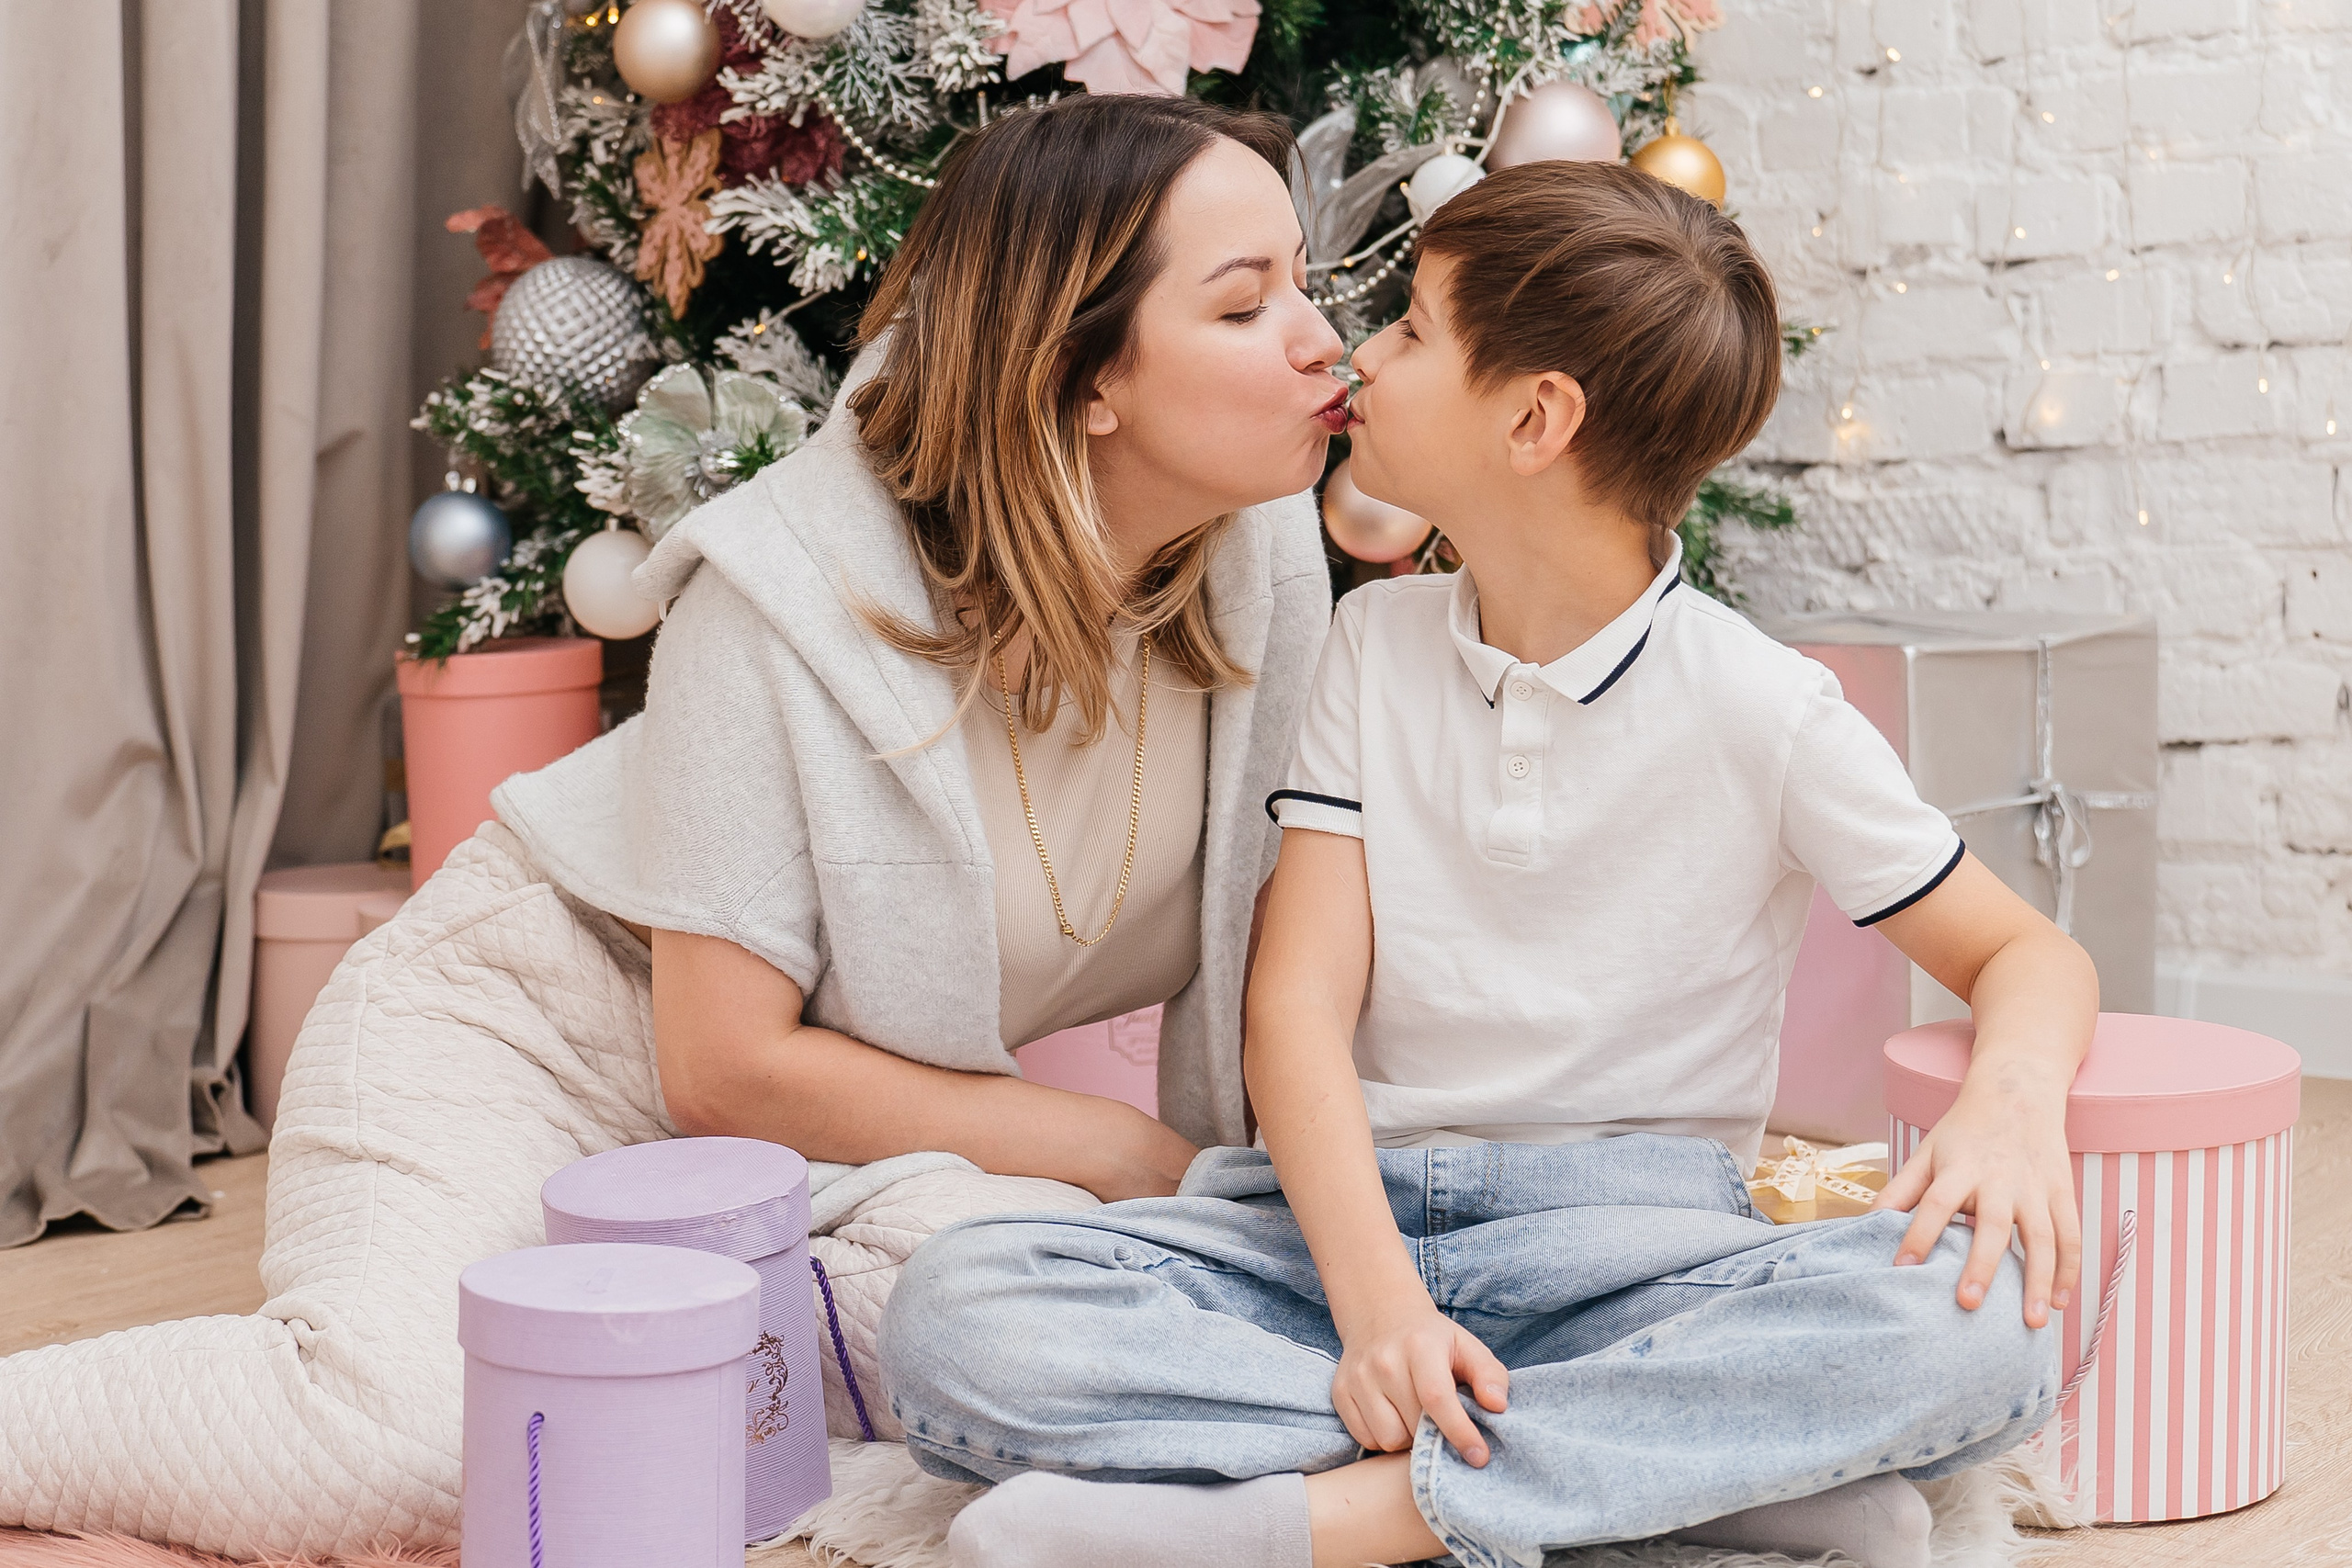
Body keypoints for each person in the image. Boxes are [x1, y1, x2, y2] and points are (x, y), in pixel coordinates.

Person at [0, 95, 1348, 1559]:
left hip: (828, 1161)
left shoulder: (1258, 564)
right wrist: (1109, 1148)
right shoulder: (775, 599)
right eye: (1246, 303)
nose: (1322, 337)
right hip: (535, 1042)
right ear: (1083, 377)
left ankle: (717, 1392)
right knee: (401, 1451)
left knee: (1038, 1343)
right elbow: (723, 1066)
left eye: (1305, 281)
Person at [879, 161, 2096, 1568]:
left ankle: (1338, 1521)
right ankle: (1697, 1481)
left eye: (1410, 330)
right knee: (959, 1314)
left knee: (1985, 1332)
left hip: (1636, 1255)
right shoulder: (1371, 647)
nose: (1360, 355)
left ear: (1534, 417)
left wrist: (2010, 1099)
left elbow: (2026, 952)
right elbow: (1296, 1012)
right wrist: (1383, 1307)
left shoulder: (1764, 706)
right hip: (1335, 1235)